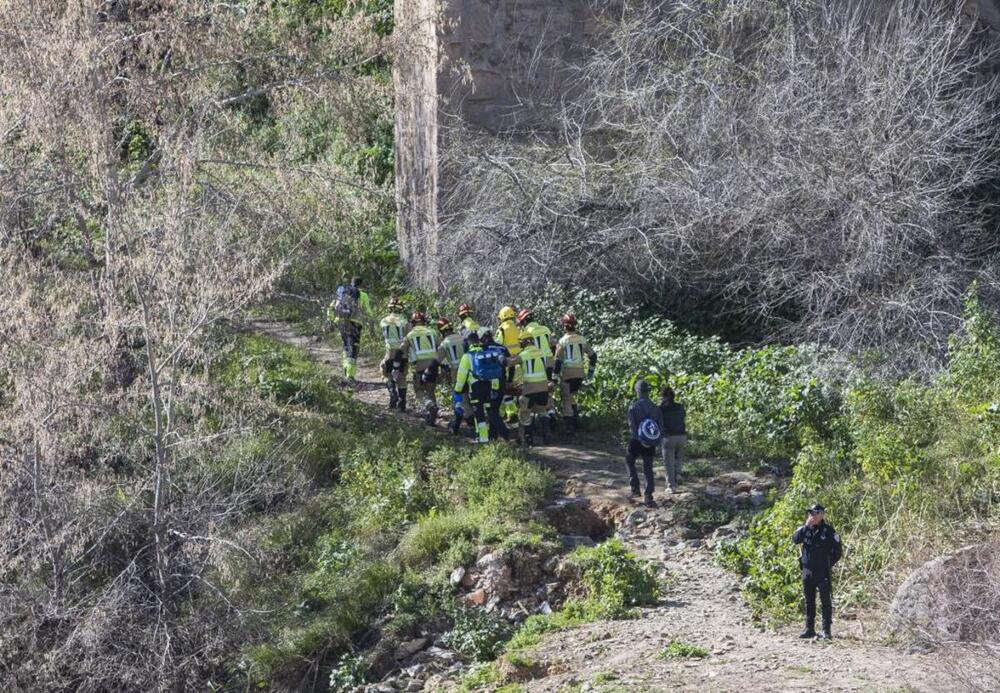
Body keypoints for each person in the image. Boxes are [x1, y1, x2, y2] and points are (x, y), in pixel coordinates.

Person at [792, 504, 843, 640]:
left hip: (822, 571)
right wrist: (806, 527)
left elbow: (838, 551)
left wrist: (828, 564)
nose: (812, 516)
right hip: (807, 571)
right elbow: (795, 540)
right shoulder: (805, 529)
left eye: (815, 513)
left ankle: (826, 630)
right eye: (811, 513)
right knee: (809, 601)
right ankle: (809, 629)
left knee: (825, 601)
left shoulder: (828, 531)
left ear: (822, 515)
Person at [453, 330, 504, 444]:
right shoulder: (487, 352)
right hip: (489, 386)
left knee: (479, 414)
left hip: (475, 388)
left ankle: (483, 438)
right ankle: (491, 436)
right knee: (489, 411)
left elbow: (461, 377)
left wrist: (457, 391)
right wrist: (495, 388)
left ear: (468, 342)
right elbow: (494, 372)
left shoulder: (467, 357)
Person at [508, 330, 554, 446]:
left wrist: (502, 359)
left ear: (523, 343)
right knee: (542, 411)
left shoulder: (523, 355)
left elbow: (510, 364)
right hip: (543, 388)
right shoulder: (542, 353)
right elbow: (549, 367)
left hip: (529, 390)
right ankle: (547, 435)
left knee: (525, 414)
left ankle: (527, 439)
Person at [553, 313, 597, 429]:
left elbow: (558, 362)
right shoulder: (582, 339)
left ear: (564, 326)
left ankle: (570, 426)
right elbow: (593, 356)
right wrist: (590, 372)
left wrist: (554, 377)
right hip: (580, 373)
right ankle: (576, 418)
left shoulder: (562, 341)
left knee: (566, 398)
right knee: (572, 395)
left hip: (567, 374)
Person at [625, 380, 664, 508]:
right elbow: (660, 427)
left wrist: (640, 440)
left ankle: (635, 490)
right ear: (648, 392)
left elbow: (632, 426)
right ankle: (648, 497)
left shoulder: (634, 406)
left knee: (629, 461)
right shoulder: (655, 408)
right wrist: (653, 442)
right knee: (648, 468)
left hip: (636, 440)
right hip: (650, 441)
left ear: (637, 391)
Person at [328, 277, 372, 382]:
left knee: (346, 345)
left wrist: (331, 320)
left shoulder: (342, 292)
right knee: (354, 347)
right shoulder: (363, 295)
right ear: (361, 285)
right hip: (355, 323)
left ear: (351, 282)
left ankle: (345, 367)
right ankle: (350, 375)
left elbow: (331, 307)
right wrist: (371, 322)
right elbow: (368, 312)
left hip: (341, 322)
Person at [401, 311, 441, 426]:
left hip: (419, 366)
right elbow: (441, 347)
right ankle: (433, 413)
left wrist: (401, 364)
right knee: (430, 389)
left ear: (413, 323)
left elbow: (402, 350)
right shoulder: (433, 332)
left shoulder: (410, 335)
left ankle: (429, 406)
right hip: (434, 365)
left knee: (419, 390)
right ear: (424, 321)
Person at [436, 317, 469, 434]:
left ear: (442, 331)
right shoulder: (462, 338)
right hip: (470, 372)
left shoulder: (444, 343)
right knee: (468, 397)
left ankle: (456, 425)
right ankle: (471, 420)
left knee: (458, 398)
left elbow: (437, 360)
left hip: (457, 373)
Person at [379, 297, 410, 411]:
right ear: (401, 309)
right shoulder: (405, 321)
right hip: (402, 353)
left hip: (389, 353)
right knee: (402, 377)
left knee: (385, 374)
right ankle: (402, 404)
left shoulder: (383, 321)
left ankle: (392, 393)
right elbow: (409, 337)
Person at [496, 306, 522, 423]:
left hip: (506, 363)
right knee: (515, 390)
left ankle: (503, 414)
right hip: (519, 363)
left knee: (504, 389)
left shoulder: (501, 329)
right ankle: (513, 413)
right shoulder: (518, 328)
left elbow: (497, 345)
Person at [659, 386, 687, 492]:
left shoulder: (661, 408)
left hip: (668, 437)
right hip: (682, 435)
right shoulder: (680, 406)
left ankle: (671, 486)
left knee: (669, 462)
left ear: (663, 397)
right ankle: (678, 473)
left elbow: (657, 421)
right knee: (679, 457)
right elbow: (683, 417)